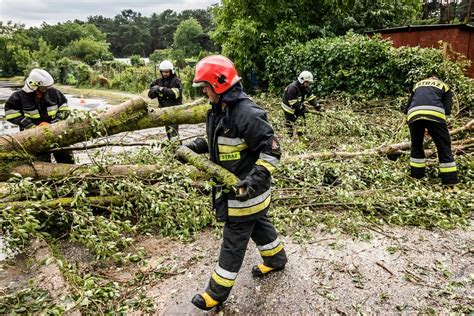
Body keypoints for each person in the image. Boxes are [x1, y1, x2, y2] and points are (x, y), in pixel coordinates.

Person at [183, 55, 287, 311]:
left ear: (219, 84)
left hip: (245, 196)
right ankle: (276, 258)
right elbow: (219, 142)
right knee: (260, 225)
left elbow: (272, 151)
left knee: (233, 244)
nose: (204, 91)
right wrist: (196, 146)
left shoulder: (247, 114)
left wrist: (251, 182)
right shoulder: (222, 110)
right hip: (242, 194)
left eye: (206, 87)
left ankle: (216, 293)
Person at [5, 68, 74, 163]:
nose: (44, 91)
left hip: (56, 132)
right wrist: (32, 126)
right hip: (33, 137)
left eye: (46, 88)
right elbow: (11, 115)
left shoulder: (54, 93)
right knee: (41, 163)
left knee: (66, 157)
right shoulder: (18, 97)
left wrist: (53, 124)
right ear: (33, 86)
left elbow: (64, 109)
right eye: (42, 89)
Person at [404, 73, 458, 186]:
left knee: (416, 146)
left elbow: (406, 108)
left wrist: (422, 123)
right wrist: (434, 124)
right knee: (444, 147)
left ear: (427, 78)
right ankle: (450, 183)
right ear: (437, 78)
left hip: (414, 114)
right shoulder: (444, 86)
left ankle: (416, 177)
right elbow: (447, 110)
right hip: (435, 115)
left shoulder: (418, 85)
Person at [148, 60, 183, 140]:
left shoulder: (176, 81)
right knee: (168, 132)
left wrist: (161, 89)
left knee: (173, 133)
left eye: (167, 72)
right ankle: (173, 149)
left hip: (174, 111)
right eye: (163, 72)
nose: (165, 74)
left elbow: (175, 94)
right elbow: (150, 95)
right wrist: (155, 91)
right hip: (164, 111)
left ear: (171, 71)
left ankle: (177, 149)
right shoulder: (157, 81)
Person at [281, 71, 321, 136]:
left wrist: (317, 106)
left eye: (309, 82)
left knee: (301, 121)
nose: (308, 84)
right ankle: (289, 137)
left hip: (298, 106)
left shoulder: (306, 88)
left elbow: (311, 98)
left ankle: (301, 135)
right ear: (302, 80)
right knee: (290, 123)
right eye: (307, 82)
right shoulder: (293, 88)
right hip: (288, 108)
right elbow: (293, 102)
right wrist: (302, 108)